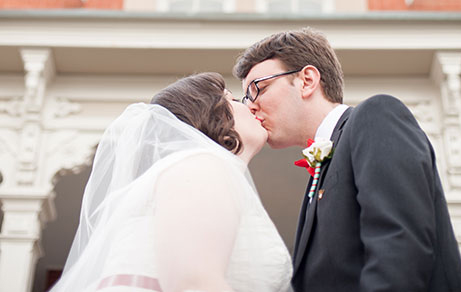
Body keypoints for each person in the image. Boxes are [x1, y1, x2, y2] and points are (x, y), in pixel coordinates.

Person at [234, 28, 461, 292]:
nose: (250, 106)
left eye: (258, 89)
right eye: (246, 97)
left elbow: (398, 246)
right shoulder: (319, 172)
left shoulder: (376, 116)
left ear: (307, 80)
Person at [50, 72, 292, 292]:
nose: (250, 107)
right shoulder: (201, 166)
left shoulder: (206, 170)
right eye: (235, 100)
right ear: (213, 115)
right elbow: (193, 283)